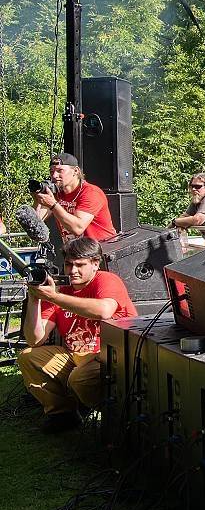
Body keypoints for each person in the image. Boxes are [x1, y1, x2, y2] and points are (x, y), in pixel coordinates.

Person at [17, 237, 136, 433]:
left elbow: (104, 310)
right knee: (29, 357)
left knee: (79, 379)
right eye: (68, 264)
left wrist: (55, 297)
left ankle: (109, 416)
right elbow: (35, 339)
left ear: (96, 264)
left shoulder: (106, 280)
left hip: (112, 358)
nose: (72, 271)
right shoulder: (61, 290)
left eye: (80, 265)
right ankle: (62, 415)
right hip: (76, 357)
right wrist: (34, 299)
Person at [32, 153, 116, 243]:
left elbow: (78, 228)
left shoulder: (91, 192)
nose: (54, 176)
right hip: (75, 251)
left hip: (102, 249)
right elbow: (35, 223)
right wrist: (37, 199)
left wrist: (53, 205)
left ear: (75, 171)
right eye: (51, 171)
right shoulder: (56, 194)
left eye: (60, 170)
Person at [172, 172, 205, 245]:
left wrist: (175, 222)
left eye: (198, 187)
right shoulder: (197, 199)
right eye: (192, 186)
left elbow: (198, 219)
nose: (194, 189)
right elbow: (184, 217)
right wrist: (167, 231)